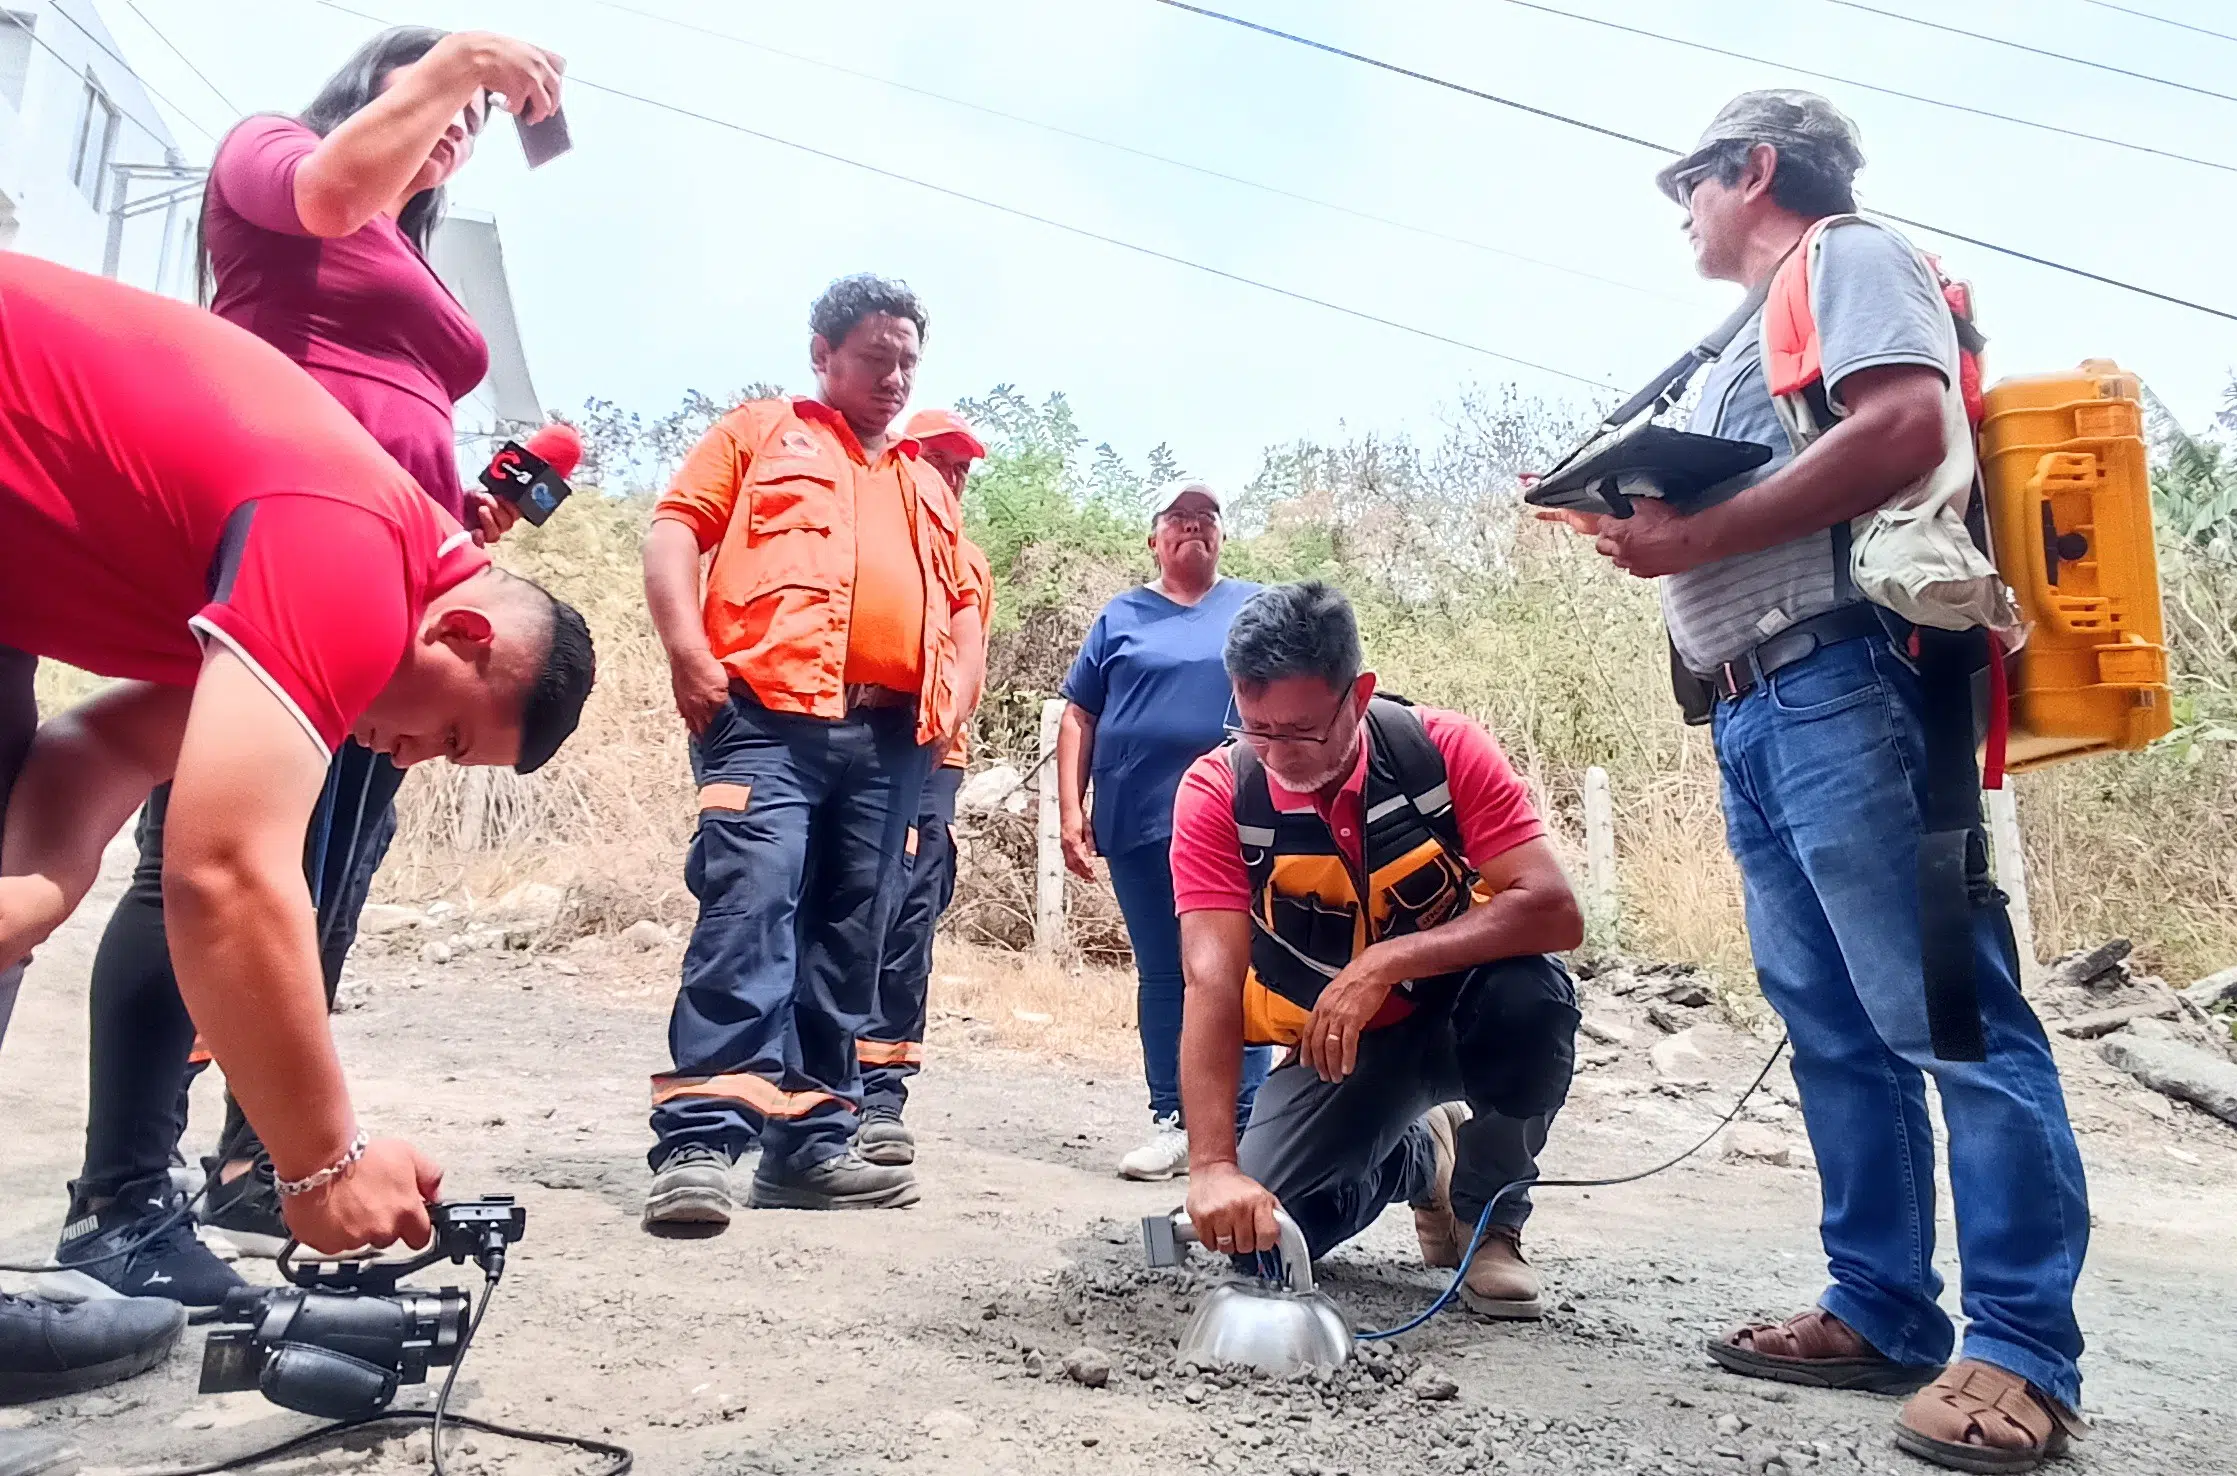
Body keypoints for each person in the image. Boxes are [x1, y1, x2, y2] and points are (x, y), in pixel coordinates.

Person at [1547, 91, 2089, 1472]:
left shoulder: (1845, 256)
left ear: (1758, 170)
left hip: (1848, 690)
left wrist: (1697, 535)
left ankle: (2023, 1353)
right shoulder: (1749, 332)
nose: (1682, 210)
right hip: (1763, 711)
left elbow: (1904, 426)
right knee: (1838, 1032)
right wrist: (1654, 528)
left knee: (1946, 1019)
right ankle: (1882, 1307)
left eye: (1692, 183)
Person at [0, 257, 592, 1394]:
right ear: (463, 634)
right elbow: (224, 873)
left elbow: (100, 748)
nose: (412, 758)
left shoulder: (305, 561)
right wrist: (324, 1164)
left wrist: (33, 892)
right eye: (452, 739)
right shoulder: (355, 546)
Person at [58, 22, 570, 1303]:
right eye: (428, 113)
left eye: (462, 134)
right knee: (202, 870)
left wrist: (463, 536)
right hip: (280, 574)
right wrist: (464, 65)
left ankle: (258, 1159)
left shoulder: (409, 254)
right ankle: (123, 1196)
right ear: (372, 95)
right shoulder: (277, 163)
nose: (452, 139)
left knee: (316, 900)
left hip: (390, 616)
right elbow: (338, 187)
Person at [640, 275, 985, 1223]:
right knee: (750, 908)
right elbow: (675, 531)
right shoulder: (759, 435)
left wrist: (952, 694)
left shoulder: (922, 478)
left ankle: (808, 1147)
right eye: (876, 357)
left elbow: (961, 601)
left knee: (853, 938)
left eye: (908, 360)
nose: (894, 376)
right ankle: (701, 1143)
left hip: (890, 741)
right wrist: (687, 654)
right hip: (764, 721)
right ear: (822, 353)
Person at [1168, 582, 1582, 1317]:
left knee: (1532, 997)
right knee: (1255, 1235)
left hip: (1467, 1018)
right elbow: (1210, 981)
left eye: (1299, 732)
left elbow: (1552, 911)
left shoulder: (1443, 752)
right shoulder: (1217, 794)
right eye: (1255, 728)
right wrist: (1211, 1166)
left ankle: (1489, 1223)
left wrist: (1387, 961)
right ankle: (1418, 1160)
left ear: (1357, 695)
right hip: (1341, 1047)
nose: (1277, 755)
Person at [1058, 480, 1272, 1181]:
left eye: (1206, 518)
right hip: (1139, 818)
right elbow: (1079, 715)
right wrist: (1070, 807)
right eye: (1177, 518)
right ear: (1153, 539)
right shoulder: (1121, 616)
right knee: (1163, 972)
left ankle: (1243, 1128)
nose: (1193, 527)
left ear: (1221, 537)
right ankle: (1174, 1121)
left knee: (1233, 968)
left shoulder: (1254, 607)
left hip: (1240, 819)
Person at [855, 410, 995, 1167]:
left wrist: (943, 727)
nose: (951, 479)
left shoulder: (969, 562)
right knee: (846, 909)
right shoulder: (869, 538)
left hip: (934, 759)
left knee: (909, 914)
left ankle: (883, 1096)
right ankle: (817, 1085)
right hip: (857, 749)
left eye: (961, 470)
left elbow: (967, 661)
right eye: (939, 462)